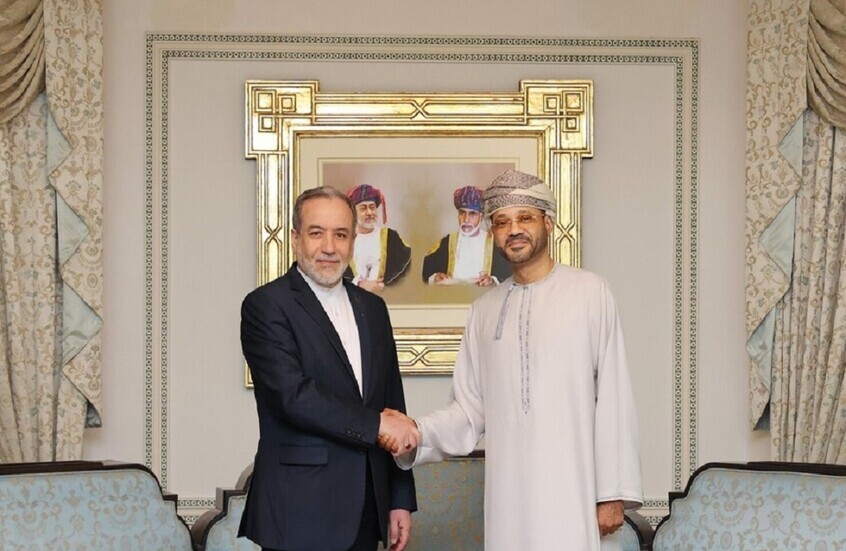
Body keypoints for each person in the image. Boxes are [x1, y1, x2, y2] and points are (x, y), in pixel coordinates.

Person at [386, 170, 643, 551]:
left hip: (576, 494)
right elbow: (468, 412)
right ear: (492, 233)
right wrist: (417, 432)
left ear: (548, 223)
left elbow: (614, 396)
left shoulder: (590, 293)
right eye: (502, 222)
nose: (514, 230)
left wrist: (611, 494)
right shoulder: (484, 311)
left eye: (525, 218)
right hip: (509, 500)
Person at [238, 186, 419, 551]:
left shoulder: (374, 309)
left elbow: (392, 402)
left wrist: (400, 498)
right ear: (295, 239)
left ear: (353, 241)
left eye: (340, 235)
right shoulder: (265, 305)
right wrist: (377, 425)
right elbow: (292, 397)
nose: (329, 247)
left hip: (367, 509)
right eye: (316, 233)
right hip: (298, 509)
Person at [421, 185, 511, 286]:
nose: (466, 219)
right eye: (462, 213)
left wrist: (492, 281)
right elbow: (426, 272)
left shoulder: (496, 244)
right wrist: (434, 278)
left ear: (481, 217)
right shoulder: (447, 242)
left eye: (472, 214)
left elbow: (510, 276)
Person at [344, 184, 411, 293]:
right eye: (363, 208)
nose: (369, 213)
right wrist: (359, 284)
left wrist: (385, 285)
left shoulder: (391, 238)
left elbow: (405, 269)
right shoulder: (344, 240)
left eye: (372, 207)